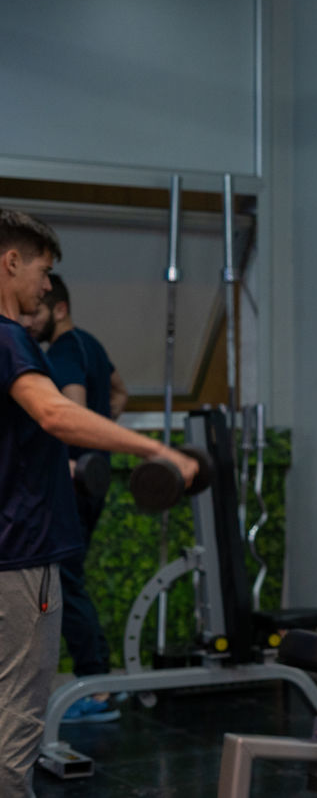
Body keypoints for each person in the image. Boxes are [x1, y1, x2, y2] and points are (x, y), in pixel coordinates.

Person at [0, 209, 198, 797]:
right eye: (43, 270)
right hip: (19, 556)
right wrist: (151, 449)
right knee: (15, 725)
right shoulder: (10, 337)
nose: (46, 286)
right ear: (11, 262)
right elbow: (57, 411)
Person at [26, 273, 128, 723]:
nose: (31, 321)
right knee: (70, 578)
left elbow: (73, 414)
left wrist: (71, 457)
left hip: (73, 479)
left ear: (60, 309)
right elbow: (120, 390)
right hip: (95, 477)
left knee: (66, 581)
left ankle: (97, 686)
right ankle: (99, 681)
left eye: (38, 313)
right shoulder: (93, 344)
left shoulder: (64, 349)